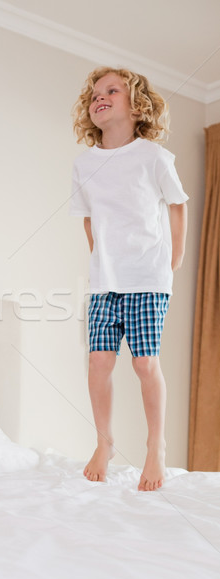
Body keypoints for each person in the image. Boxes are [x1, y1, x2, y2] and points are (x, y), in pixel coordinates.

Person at [70, 67, 188, 491]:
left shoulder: (154, 156)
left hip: (148, 278)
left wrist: (174, 257)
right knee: (98, 360)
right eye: (95, 94)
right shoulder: (84, 165)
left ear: (136, 106)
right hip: (106, 281)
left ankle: (156, 446)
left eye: (111, 91)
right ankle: (105, 441)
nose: (100, 97)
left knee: (143, 362)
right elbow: (88, 220)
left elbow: (177, 205)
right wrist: (101, 261)